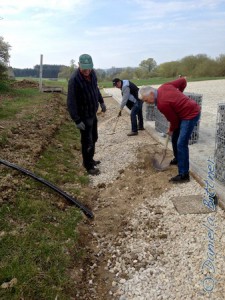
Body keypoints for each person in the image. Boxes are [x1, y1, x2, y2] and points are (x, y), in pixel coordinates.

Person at [138, 77, 201, 183]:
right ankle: (178, 159)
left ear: (151, 94)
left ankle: (184, 174)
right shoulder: (164, 86)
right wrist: (179, 95)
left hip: (190, 114)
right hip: (183, 113)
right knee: (175, 137)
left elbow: (174, 120)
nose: (146, 102)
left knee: (181, 143)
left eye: (145, 99)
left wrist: (171, 129)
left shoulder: (162, 104)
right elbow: (183, 80)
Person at [67, 54, 106, 176]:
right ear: (79, 65)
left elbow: (95, 89)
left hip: (92, 112)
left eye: (89, 68)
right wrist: (77, 120)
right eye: (85, 69)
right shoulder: (74, 80)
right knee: (87, 141)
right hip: (83, 116)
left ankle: (91, 159)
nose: (87, 71)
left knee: (94, 137)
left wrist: (101, 101)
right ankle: (88, 165)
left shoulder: (92, 73)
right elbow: (71, 101)